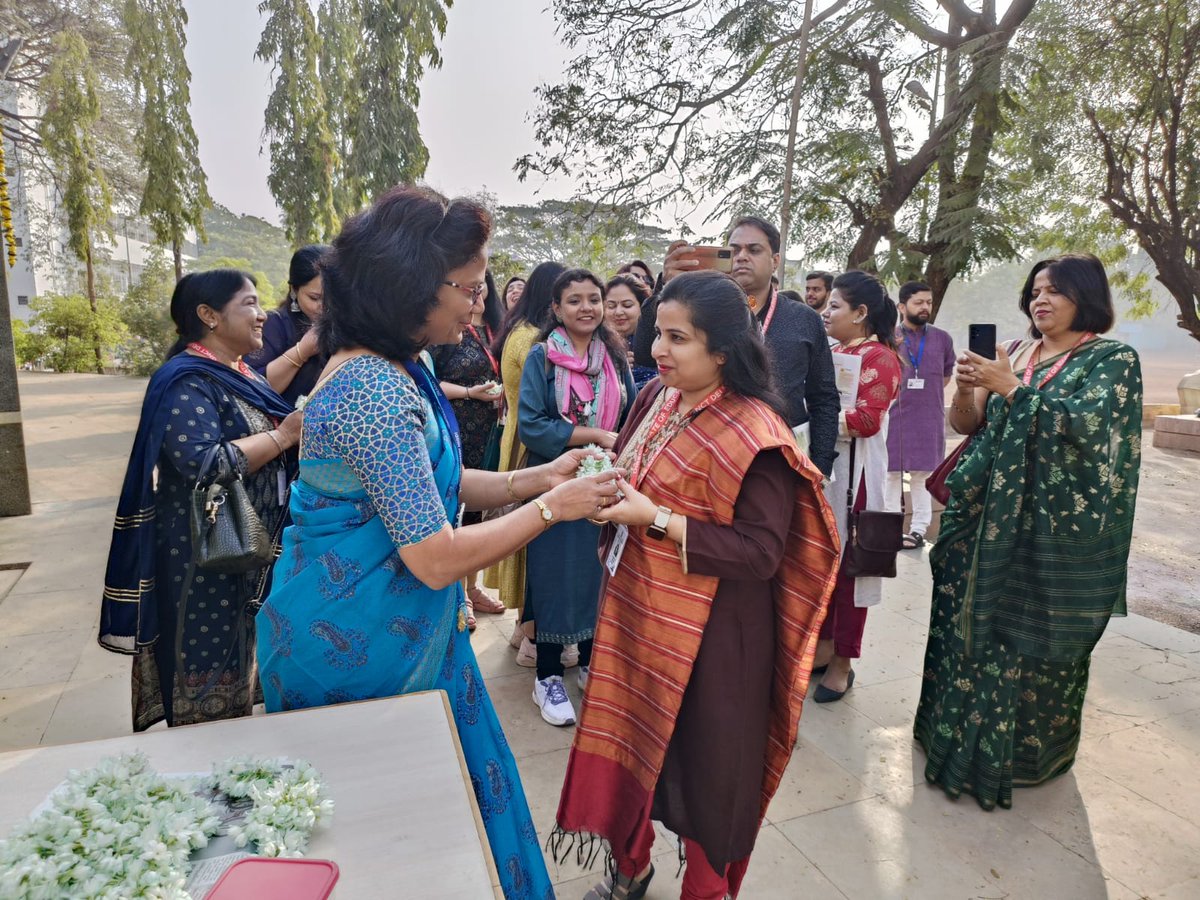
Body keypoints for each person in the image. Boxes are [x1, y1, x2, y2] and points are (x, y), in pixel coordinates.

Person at [255, 186, 622, 898]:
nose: (478, 303)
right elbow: (436, 556)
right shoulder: (370, 391)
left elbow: (437, 487)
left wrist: (536, 477)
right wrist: (555, 505)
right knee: (390, 850)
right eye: (470, 287)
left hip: (401, 634)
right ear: (410, 286)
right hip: (352, 648)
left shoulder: (406, 366)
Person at [553, 271, 840, 900]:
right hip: (638, 612)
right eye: (659, 332)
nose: (658, 348)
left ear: (722, 351)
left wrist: (651, 517)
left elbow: (762, 553)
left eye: (677, 338)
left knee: (710, 776)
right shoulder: (656, 397)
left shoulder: (757, 434)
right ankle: (631, 866)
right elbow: (632, 475)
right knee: (631, 740)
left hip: (717, 638)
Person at [914, 253, 1142, 811]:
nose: (1041, 300)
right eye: (1035, 290)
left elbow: (1090, 437)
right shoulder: (1014, 353)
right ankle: (947, 739)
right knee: (964, 628)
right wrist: (970, 389)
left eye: (1056, 290)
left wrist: (1014, 390)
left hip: (1045, 534)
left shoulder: (1111, 359)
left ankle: (1018, 757)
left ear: (1085, 298)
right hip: (978, 523)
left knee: (1025, 641)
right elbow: (967, 427)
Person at [100, 270, 301, 731]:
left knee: (240, 665)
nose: (262, 313)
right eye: (249, 303)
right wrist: (283, 436)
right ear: (209, 316)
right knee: (206, 669)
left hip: (246, 551)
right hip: (203, 556)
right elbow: (202, 463)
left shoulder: (242, 372)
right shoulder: (185, 381)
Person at [635, 217, 840, 477]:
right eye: (734, 250)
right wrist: (667, 288)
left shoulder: (803, 319)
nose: (742, 257)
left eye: (754, 250)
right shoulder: (697, 310)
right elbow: (645, 354)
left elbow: (823, 398)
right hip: (702, 454)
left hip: (780, 456)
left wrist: (820, 467)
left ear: (775, 260)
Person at [519, 268, 636, 726]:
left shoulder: (614, 357)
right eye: (574, 300)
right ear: (556, 309)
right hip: (555, 478)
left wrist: (612, 447)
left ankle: (590, 662)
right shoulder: (542, 358)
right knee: (553, 573)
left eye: (594, 299)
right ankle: (547, 674)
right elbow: (532, 424)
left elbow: (629, 412)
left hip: (604, 481)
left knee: (596, 567)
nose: (586, 307)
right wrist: (594, 435)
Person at [814, 270, 902, 703]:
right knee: (823, 566)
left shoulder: (881, 358)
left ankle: (844, 661)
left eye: (834, 305)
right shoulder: (831, 350)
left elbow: (867, 421)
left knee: (852, 570)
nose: (826, 312)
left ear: (861, 313)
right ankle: (825, 645)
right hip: (828, 473)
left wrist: (813, 422)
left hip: (858, 479)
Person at [485, 261, 567, 661]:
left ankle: (523, 628)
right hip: (527, 444)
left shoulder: (516, 332)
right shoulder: (536, 340)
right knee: (532, 533)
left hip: (515, 436)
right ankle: (533, 635)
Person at [431, 270, 506, 628]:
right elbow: (428, 384)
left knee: (475, 509)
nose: (478, 294)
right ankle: (458, 595)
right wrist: (468, 393)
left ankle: (472, 587)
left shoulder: (493, 332)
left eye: (481, 286)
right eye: (470, 288)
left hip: (487, 430)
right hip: (457, 423)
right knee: (453, 506)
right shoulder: (444, 335)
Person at [884, 281, 956, 550]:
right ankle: (889, 528)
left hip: (928, 417)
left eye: (928, 302)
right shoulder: (889, 336)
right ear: (902, 307)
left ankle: (917, 531)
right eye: (918, 302)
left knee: (923, 475)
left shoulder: (942, 338)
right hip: (894, 416)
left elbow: (947, 375)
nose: (925, 307)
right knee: (889, 474)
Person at [245, 245, 330, 405]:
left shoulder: (346, 324)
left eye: (332, 298)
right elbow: (253, 387)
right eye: (314, 298)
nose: (324, 307)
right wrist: (302, 351)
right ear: (294, 290)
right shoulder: (271, 325)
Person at [605, 273, 657, 390]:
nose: (618, 312)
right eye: (611, 306)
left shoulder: (657, 342)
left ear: (642, 306)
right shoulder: (593, 346)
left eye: (627, 305)